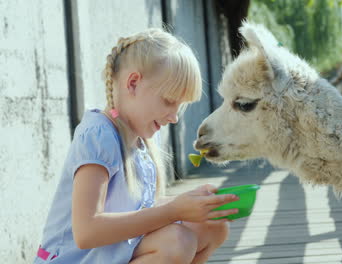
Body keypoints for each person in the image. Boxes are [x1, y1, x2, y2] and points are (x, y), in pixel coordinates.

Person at [34, 28, 239, 264]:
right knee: (177, 242)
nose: (174, 118)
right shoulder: (99, 135)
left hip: (108, 253)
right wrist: (174, 211)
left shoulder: (142, 139)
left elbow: (136, 207)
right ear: (132, 83)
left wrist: (191, 202)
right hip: (74, 259)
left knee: (213, 226)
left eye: (180, 106)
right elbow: (86, 232)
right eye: (169, 101)